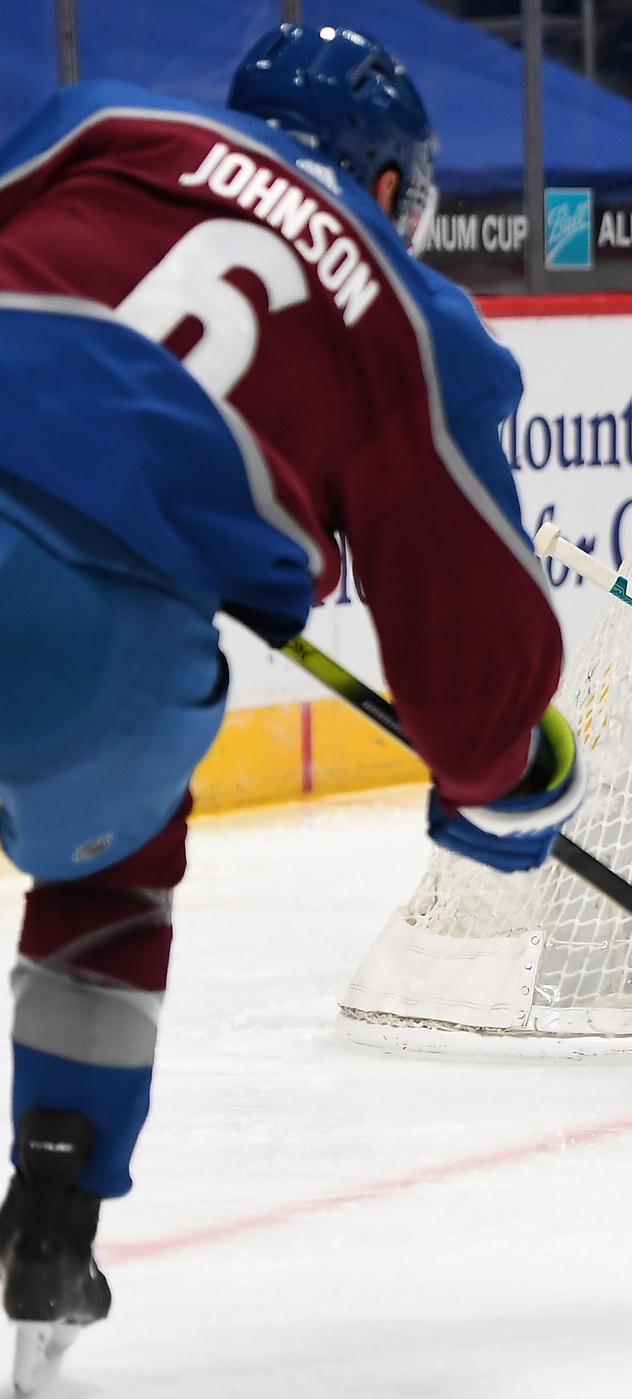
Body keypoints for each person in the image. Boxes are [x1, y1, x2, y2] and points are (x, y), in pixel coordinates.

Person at [0, 26, 580, 1391]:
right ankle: (52, 1206)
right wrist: (512, 780)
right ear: (387, 189)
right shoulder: (410, 315)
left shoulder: (97, 121)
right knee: (113, 875)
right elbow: (475, 683)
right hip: (87, 652)